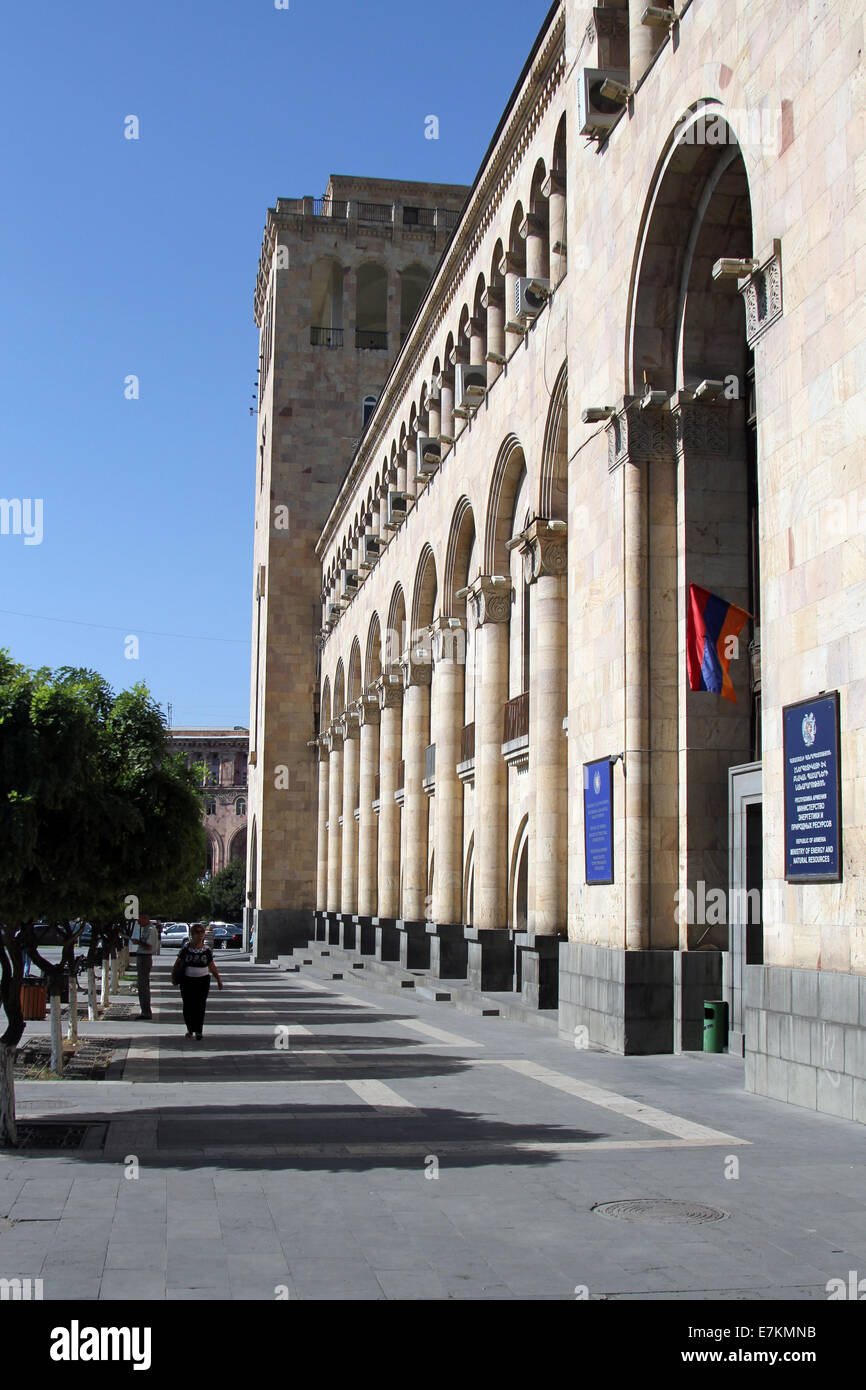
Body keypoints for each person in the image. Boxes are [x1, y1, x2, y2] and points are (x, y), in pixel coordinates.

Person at [173, 924, 222, 1039]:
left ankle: (199, 1030)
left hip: (203, 980)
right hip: (187, 980)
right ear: (192, 934)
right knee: (188, 1005)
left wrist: (218, 979)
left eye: (202, 932)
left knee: (200, 1005)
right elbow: (177, 964)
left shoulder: (207, 950)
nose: (200, 935)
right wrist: (173, 977)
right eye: (197, 932)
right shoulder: (186, 948)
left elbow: (211, 965)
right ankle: (190, 1029)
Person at [133, 915, 160, 1020]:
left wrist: (138, 942)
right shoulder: (146, 928)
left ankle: (146, 1012)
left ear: (145, 919)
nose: (138, 922)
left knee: (143, 986)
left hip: (145, 958)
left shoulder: (150, 929)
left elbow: (149, 946)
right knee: (142, 985)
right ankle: (144, 1010)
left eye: (139, 920)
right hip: (142, 958)